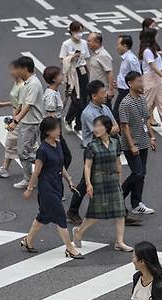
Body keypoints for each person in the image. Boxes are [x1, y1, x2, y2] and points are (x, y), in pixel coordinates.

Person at [20, 117, 82, 258]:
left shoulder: (58, 144)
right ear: (48, 132)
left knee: (44, 216)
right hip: (47, 188)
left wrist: (69, 180)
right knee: (60, 216)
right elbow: (37, 171)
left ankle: (28, 240)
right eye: (56, 129)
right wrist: (29, 189)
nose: (59, 131)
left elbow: (60, 165)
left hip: (56, 185)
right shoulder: (43, 150)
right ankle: (69, 248)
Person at [71, 115, 132, 252]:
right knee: (96, 213)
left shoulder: (115, 143)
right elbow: (87, 166)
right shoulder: (92, 146)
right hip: (99, 181)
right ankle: (79, 231)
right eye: (95, 126)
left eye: (99, 126)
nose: (96, 129)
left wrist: (119, 178)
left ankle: (120, 242)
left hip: (113, 180)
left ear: (107, 127)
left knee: (120, 211)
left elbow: (118, 162)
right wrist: (88, 184)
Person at [66, 80, 122, 226]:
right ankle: (72, 211)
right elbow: (101, 132)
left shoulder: (104, 107)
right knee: (85, 183)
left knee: (111, 178)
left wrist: (110, 129)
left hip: (106, 148)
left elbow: (115, 126)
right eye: (102, 93)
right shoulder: (88, 113)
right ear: (93, 95)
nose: (105, 95)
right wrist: (110, 129)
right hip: (92, 150)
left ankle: (121, 211)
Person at [119, 71, 156, 218]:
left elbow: (146, 119)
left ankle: (136, 203)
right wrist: (132, 145)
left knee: (142, 174)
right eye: (139, 82)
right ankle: (119, 198)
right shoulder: (125, 103)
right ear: (130, 84)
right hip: (131, 145)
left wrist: (152, 137)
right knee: (138, 172)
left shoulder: (141, 99)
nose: (141, 84)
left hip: (143, 142)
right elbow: (124, 126)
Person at [5, 56, 43, 189]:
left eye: (18, 69)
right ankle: (29, 176)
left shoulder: (33, 84)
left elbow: (28, 106)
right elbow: (21, 104)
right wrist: (14, 119)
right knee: (24, 152)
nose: (16, 71)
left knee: (24, 153)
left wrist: (15, 121)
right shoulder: (26, 83)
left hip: (31, 123)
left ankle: (46, 163)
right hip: (25, 123)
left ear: (25, 69)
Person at [0, 60, 23, 179]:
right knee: (11, 145)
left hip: (19, 121)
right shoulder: (17, 83)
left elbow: (23, 105)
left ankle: (42, 165)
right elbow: (16, 102)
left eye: (13, 69)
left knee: (16, 146)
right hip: (16, 120)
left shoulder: (22, 86)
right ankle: (5, 168)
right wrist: (4, 104)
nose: (11, 72)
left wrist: (15, 120)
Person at [139, 28, 162, 132]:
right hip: (150, 78)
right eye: (156, 35)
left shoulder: (152, 49)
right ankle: (140, 125)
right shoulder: (147, 51)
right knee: (147, 103)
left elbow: (156, 57)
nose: (157, 37)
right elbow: (153, 67)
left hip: (157, 78)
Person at [60, 21, 90, 132]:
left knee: (84, 98)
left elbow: (86, 60)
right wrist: (72, 58)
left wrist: (88, 75)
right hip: (71, 74)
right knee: (76, 99)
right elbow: (63, 61)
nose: (79, 34)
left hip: (82, 71)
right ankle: (68, 119)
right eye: (77, 31)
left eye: (81, 31)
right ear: (71, 32)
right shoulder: (66, 44)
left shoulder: (84, 43)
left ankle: (79, 125)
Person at [42, 65, 72, 169]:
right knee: (65, 156)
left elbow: (58, 110)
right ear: (54, 79)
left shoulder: (55, 91)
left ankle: (55, 174)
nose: (62, 76)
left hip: (55, 128)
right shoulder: (51, 95)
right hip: (53, 129)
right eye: (60, 75)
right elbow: (51, 115)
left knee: (62, 157)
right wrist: (55, 136)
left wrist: (67, 96)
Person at [113, 35, 141, 121]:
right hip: (123, 90)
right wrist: (119, 83)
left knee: (117, 114)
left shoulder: (131, 59)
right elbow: (126, 74)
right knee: (121, 115)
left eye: (118, 44)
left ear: (124, 46)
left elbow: (137, 75)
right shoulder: (126, 58)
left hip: (127, 92)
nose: (117, 47)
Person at [87, 32, 115, 104]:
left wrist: (110, 90)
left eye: (89, 41)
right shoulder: (94, 53)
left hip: (102, 93)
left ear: (97, 42)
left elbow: (109, 72)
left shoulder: (103, 55)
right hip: (93, 90)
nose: (87, 43)